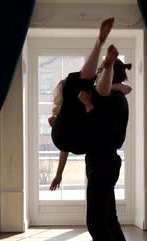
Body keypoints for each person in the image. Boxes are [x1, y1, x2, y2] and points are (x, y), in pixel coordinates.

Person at [50, 57, 133, 241]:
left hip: (103, 162)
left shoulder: (113, 100)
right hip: (102, 161)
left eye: (100, 72)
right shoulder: (114, 97)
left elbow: (102, 130)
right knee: (109, 216)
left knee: (96, 222)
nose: (96, 76)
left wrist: (87, 105)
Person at [49, 17, 119, 155]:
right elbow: (94, 122)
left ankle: (102, 53)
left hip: (67, 139)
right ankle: (106, 61)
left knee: (92, 92)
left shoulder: (65, 105)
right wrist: (87, 104)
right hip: (83, 139)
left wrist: (59, 174)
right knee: (97, 95)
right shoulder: (73, 96)